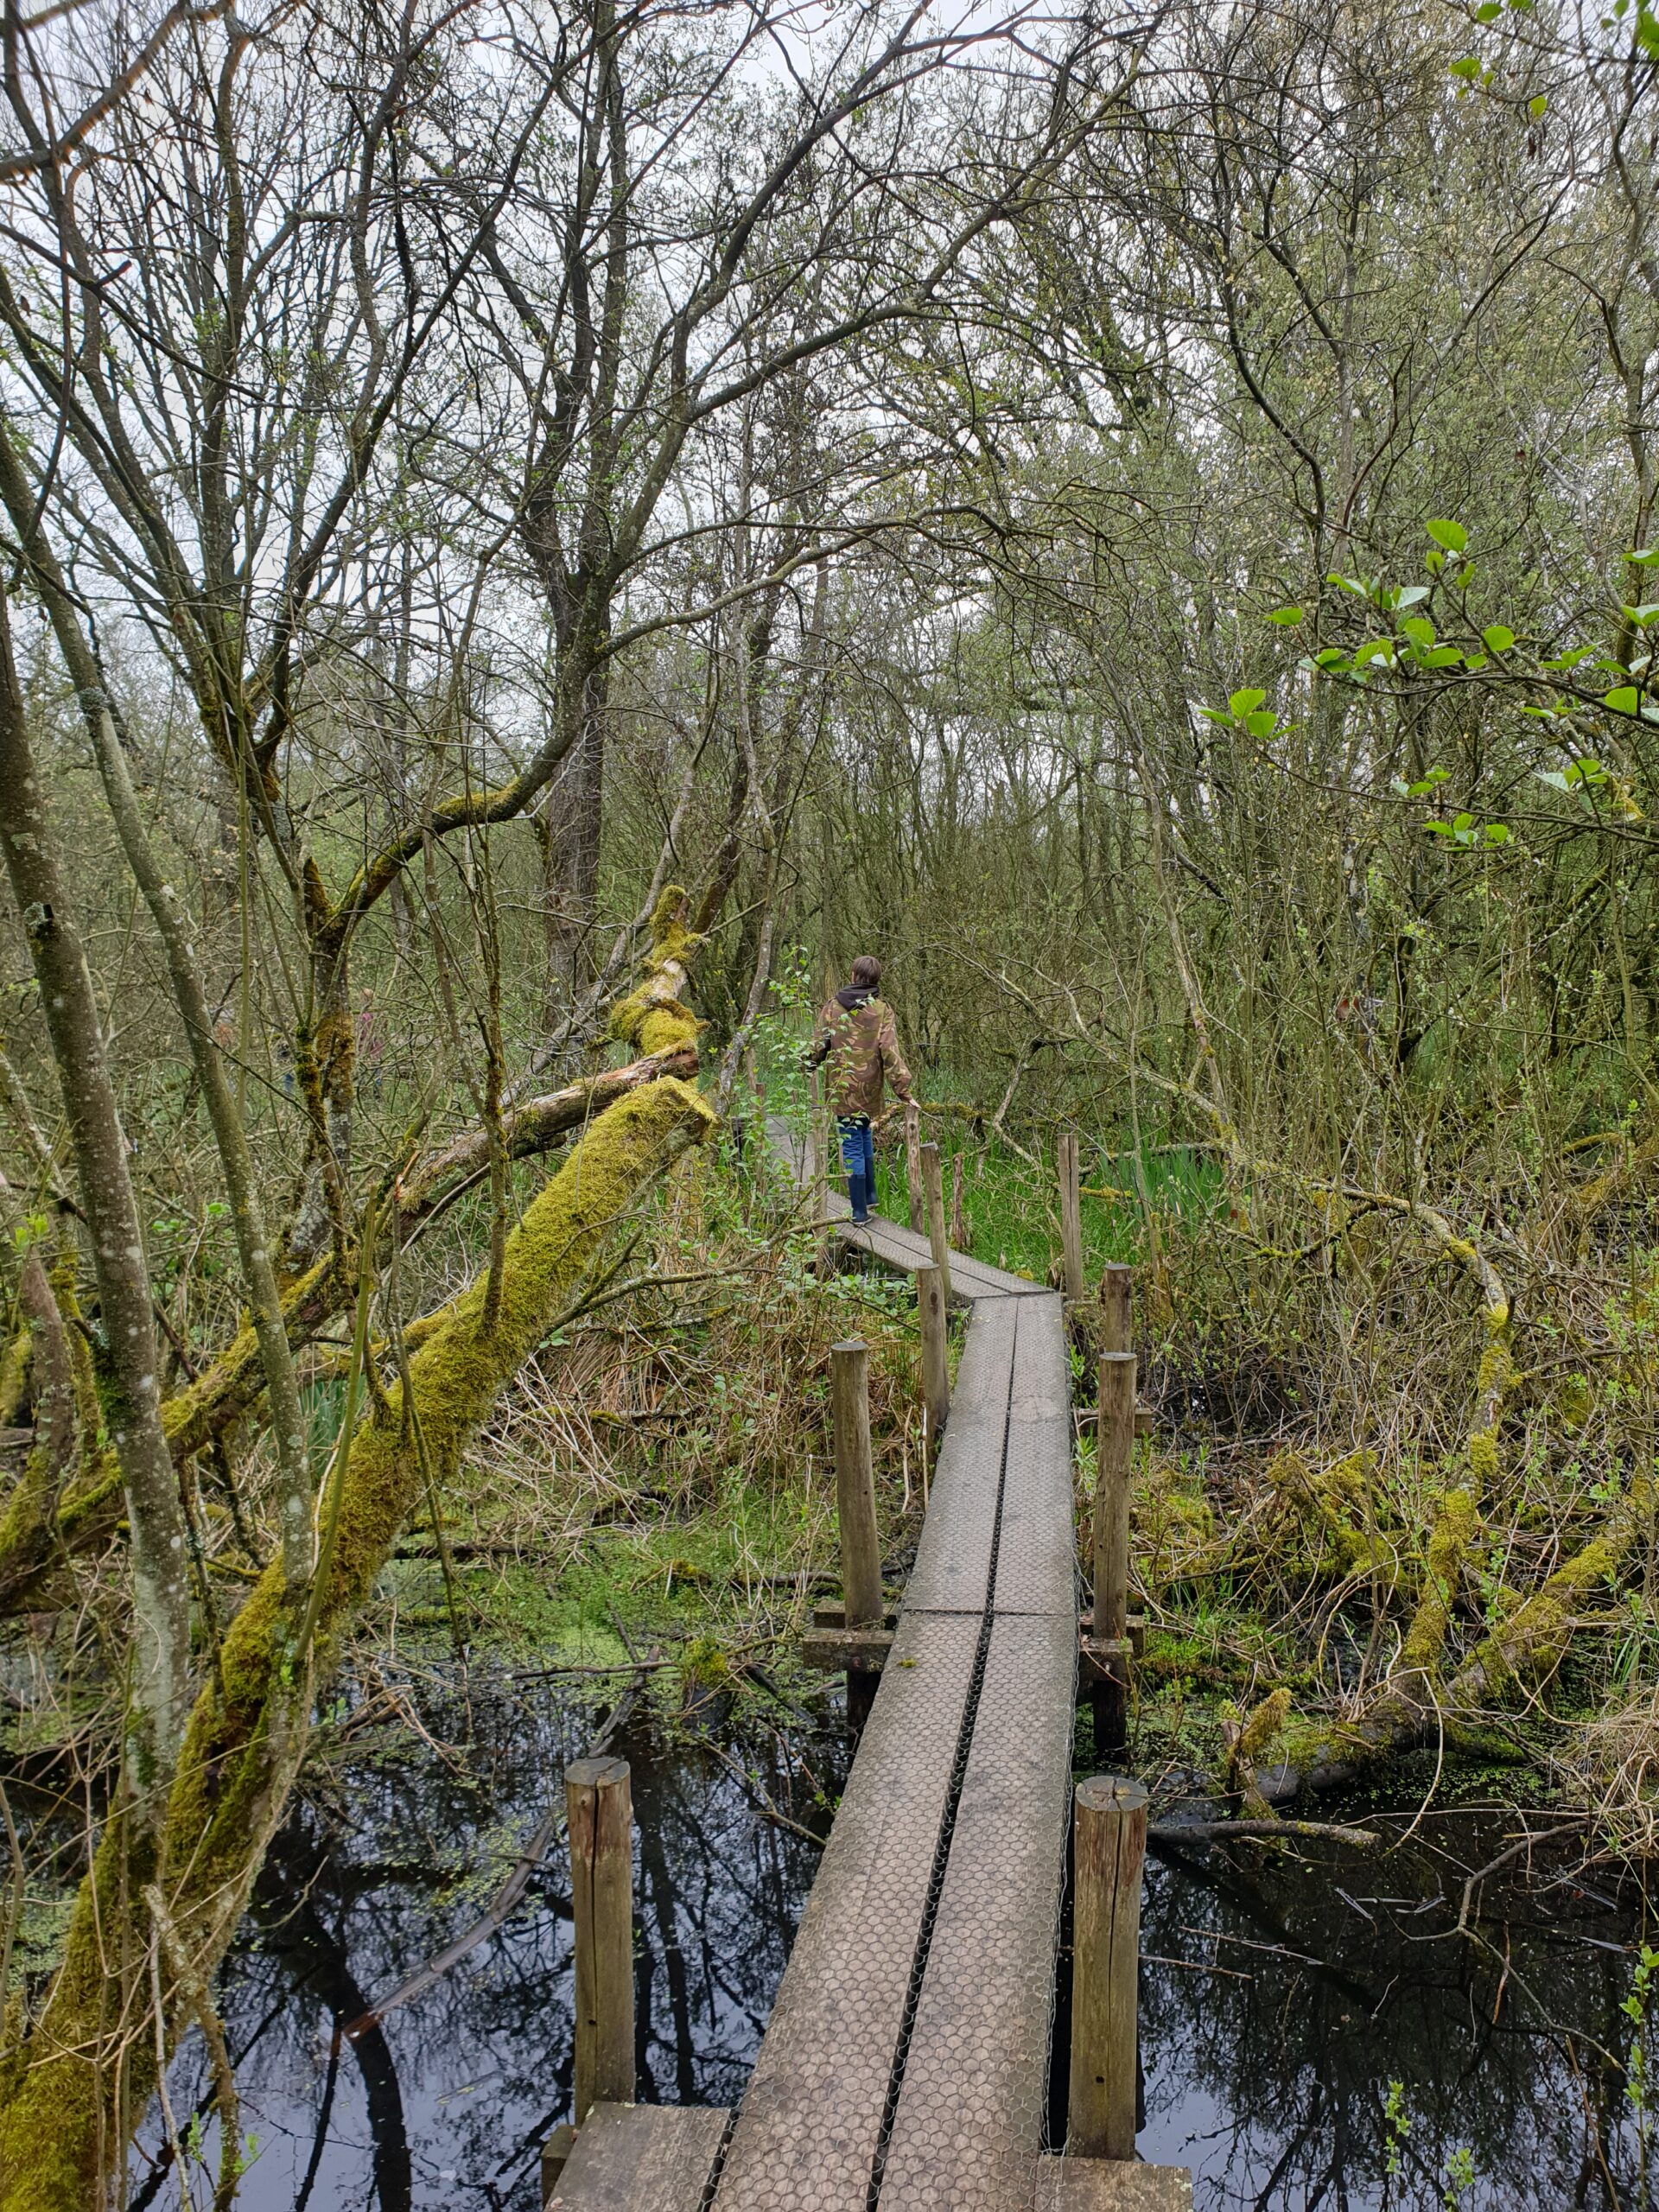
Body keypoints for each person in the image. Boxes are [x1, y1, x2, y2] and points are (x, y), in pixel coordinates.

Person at [807, 954, 914, 1224]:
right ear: (876, 979)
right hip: (870, 1088)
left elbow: (818, 1044)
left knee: (853, 1143)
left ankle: (858, 1212)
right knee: (864, 1134)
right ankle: (868, 1196)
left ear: (854, 976)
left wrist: (806, 1065)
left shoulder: (833, 1007)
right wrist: (904, 1090)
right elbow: (889, 1051)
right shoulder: (882, 1010)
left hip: (842, 1089)